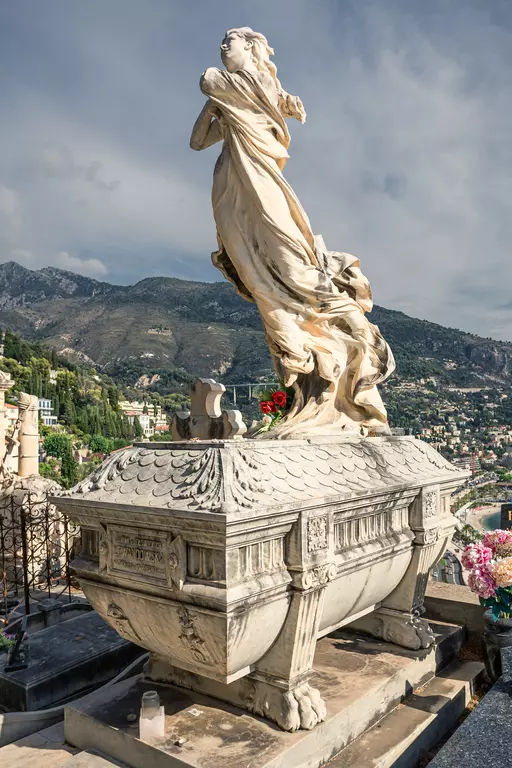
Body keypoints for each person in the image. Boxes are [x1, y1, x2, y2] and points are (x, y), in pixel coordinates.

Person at [191, 27, 395, 438]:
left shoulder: (250, 86)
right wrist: (219, 107)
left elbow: (235, 87)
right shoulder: (229, 89)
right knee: (255, 274)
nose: (221, 46)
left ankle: (350, 336)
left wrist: (262, 101)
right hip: (231, 192)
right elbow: (198, 141)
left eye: (230, 40)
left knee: (293, 266)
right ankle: (305, 359)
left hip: (264, 186)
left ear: (250, 47)